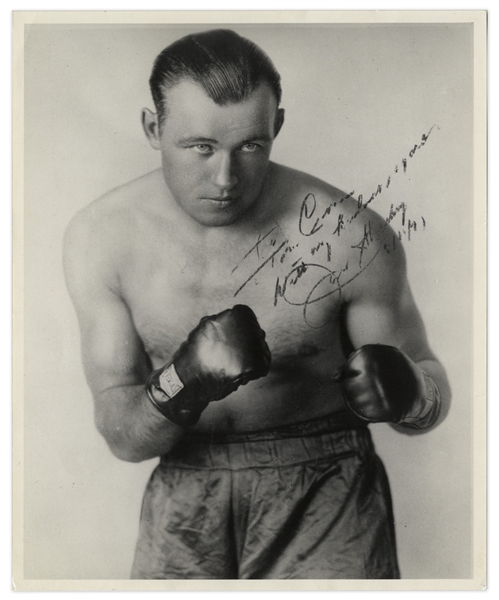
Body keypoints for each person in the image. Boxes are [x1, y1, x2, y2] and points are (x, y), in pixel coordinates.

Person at [63, 29, 451, 580]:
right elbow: (122, 437)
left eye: (250, 146)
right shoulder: (102, 238)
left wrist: (411, 390)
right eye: (200, 147)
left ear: (277, 128)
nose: (225, 179)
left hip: (328, 486)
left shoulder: (349, 235)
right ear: (153, 128)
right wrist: (181, 381)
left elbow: (430, 389)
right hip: (186, 486)